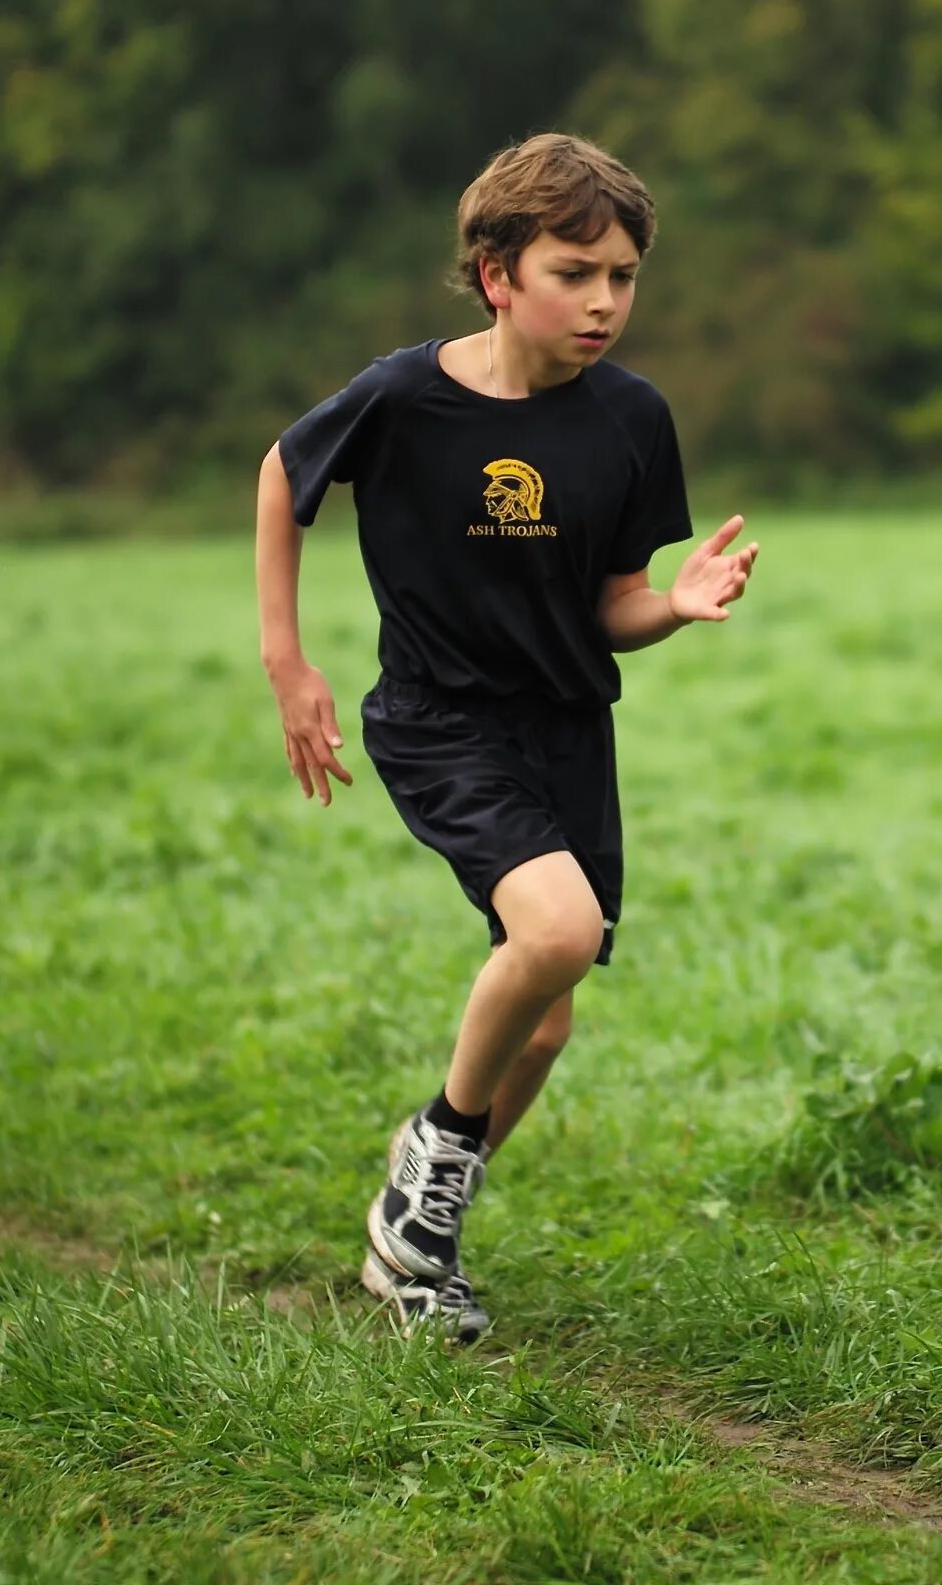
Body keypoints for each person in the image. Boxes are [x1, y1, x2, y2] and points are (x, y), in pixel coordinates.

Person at [253, 132, 759, 1341]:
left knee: (547, 1012)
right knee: (561, 930)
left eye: (623, 276)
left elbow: (612, 607)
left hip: (567, 728)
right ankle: (434, 1160)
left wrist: (674, 608)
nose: (603, 301)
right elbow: (284, 474)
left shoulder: (633, 419)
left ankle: (415, 1236)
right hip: (439, 720)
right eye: (575, 271)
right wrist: (289, 660)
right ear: (497, 273)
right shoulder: (402, 397)